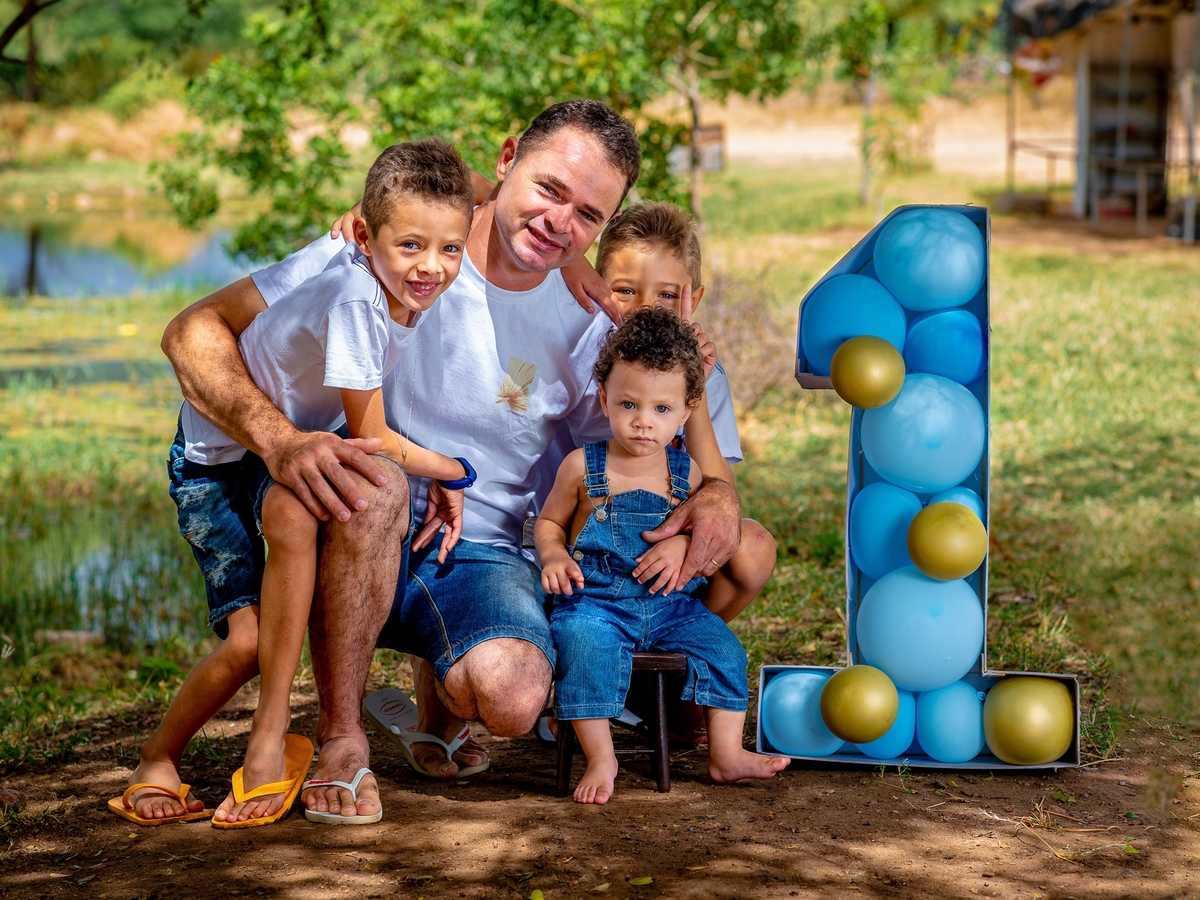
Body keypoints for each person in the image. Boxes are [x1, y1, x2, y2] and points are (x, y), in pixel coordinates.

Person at [161, 100, 743, 823]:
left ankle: (439, 697)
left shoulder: (596, 324)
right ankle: (343, 738)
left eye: (588, 216)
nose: (562, 223)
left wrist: (718, 493)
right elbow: (192, 331)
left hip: (477, 552)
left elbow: (644, 440)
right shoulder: (394, 241)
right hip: (347, 513)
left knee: (514, 694)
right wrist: (281, 442)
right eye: (549, 189)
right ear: (504, 162)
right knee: (375, 482)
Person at [119, 139, 475, 826]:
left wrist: (576, 260)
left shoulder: (400, 262)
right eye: (410, 246)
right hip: (216, 459)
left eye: (450, 250)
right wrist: (456, 469)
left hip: (290, 451)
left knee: (294, 510)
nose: (432, 266)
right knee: (247, 642)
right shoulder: (352, 296)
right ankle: (157, 758)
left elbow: (484, 187)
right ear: (366, 235)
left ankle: (271, 735)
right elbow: (375, 436)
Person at [535, 307, 789, 804]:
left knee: (723, 649)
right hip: (598, 603)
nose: (643, 423)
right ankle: (602, 756)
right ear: (604, 396)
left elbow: (706, 534)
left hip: (670, 606)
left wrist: (682, 543)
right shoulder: (580, 468)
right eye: (628, 404)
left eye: (661, 410)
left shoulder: (687, 473)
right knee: (583, 645)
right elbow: (549, 524)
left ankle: (726, 753)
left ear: (687, 409)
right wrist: (553, 556)